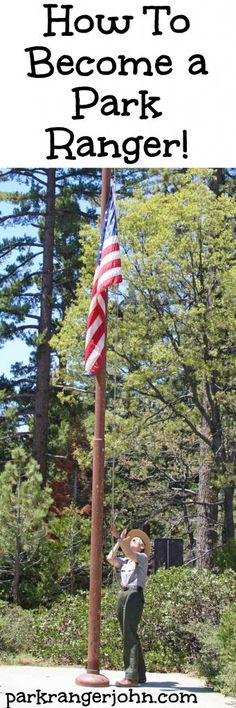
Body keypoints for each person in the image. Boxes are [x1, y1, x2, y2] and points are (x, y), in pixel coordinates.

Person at [107, 525, 151, 687]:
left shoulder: (141, 557)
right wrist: (119, 542)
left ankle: (131, 677)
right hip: (124, 593)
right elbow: (110, 558)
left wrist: (119, 537)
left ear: (142, 546)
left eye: (136, 540)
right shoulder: (126, 560)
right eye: (131, 539)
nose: (133, 540)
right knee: (127, 632)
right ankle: (140, 674)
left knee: (129, 634)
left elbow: (129, 553)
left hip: (134, 594)